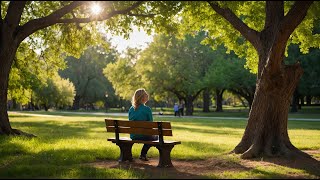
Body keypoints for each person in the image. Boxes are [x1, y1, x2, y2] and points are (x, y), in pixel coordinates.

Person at [128, 88, 158, 161]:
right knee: (156, 137)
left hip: (133, 135)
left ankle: (130, 155)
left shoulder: (131, 109)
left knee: (152, 136)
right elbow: (151, 124)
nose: (147, 95)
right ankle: (143, 154)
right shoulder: (147, 109)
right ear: (142, 97)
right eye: (145, 94)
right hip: (145, 135)